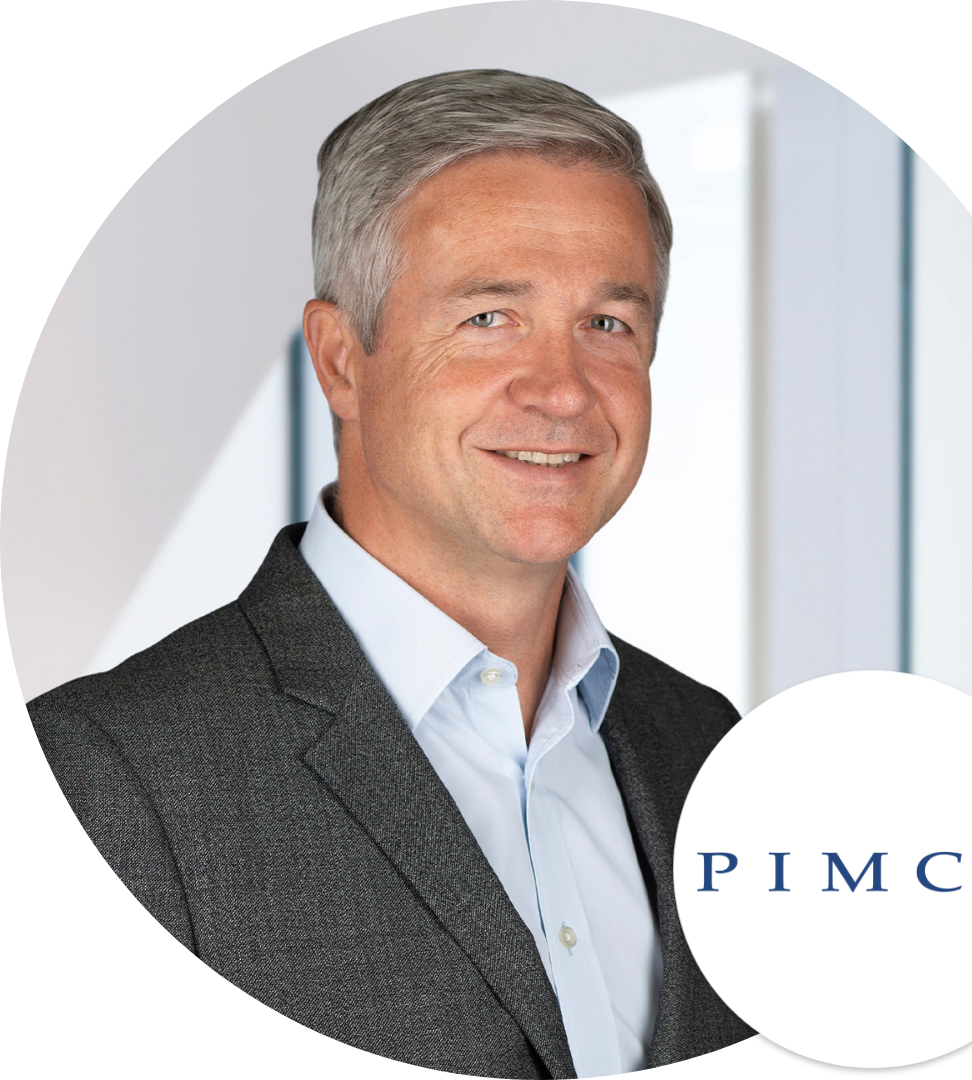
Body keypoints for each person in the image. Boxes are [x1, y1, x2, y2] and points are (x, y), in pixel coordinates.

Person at [29, 70, 754, 1076]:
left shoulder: (708, 746)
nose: (563, 391)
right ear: (341, 360)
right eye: (489, 317)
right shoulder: (112, 779)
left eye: (608, 325)